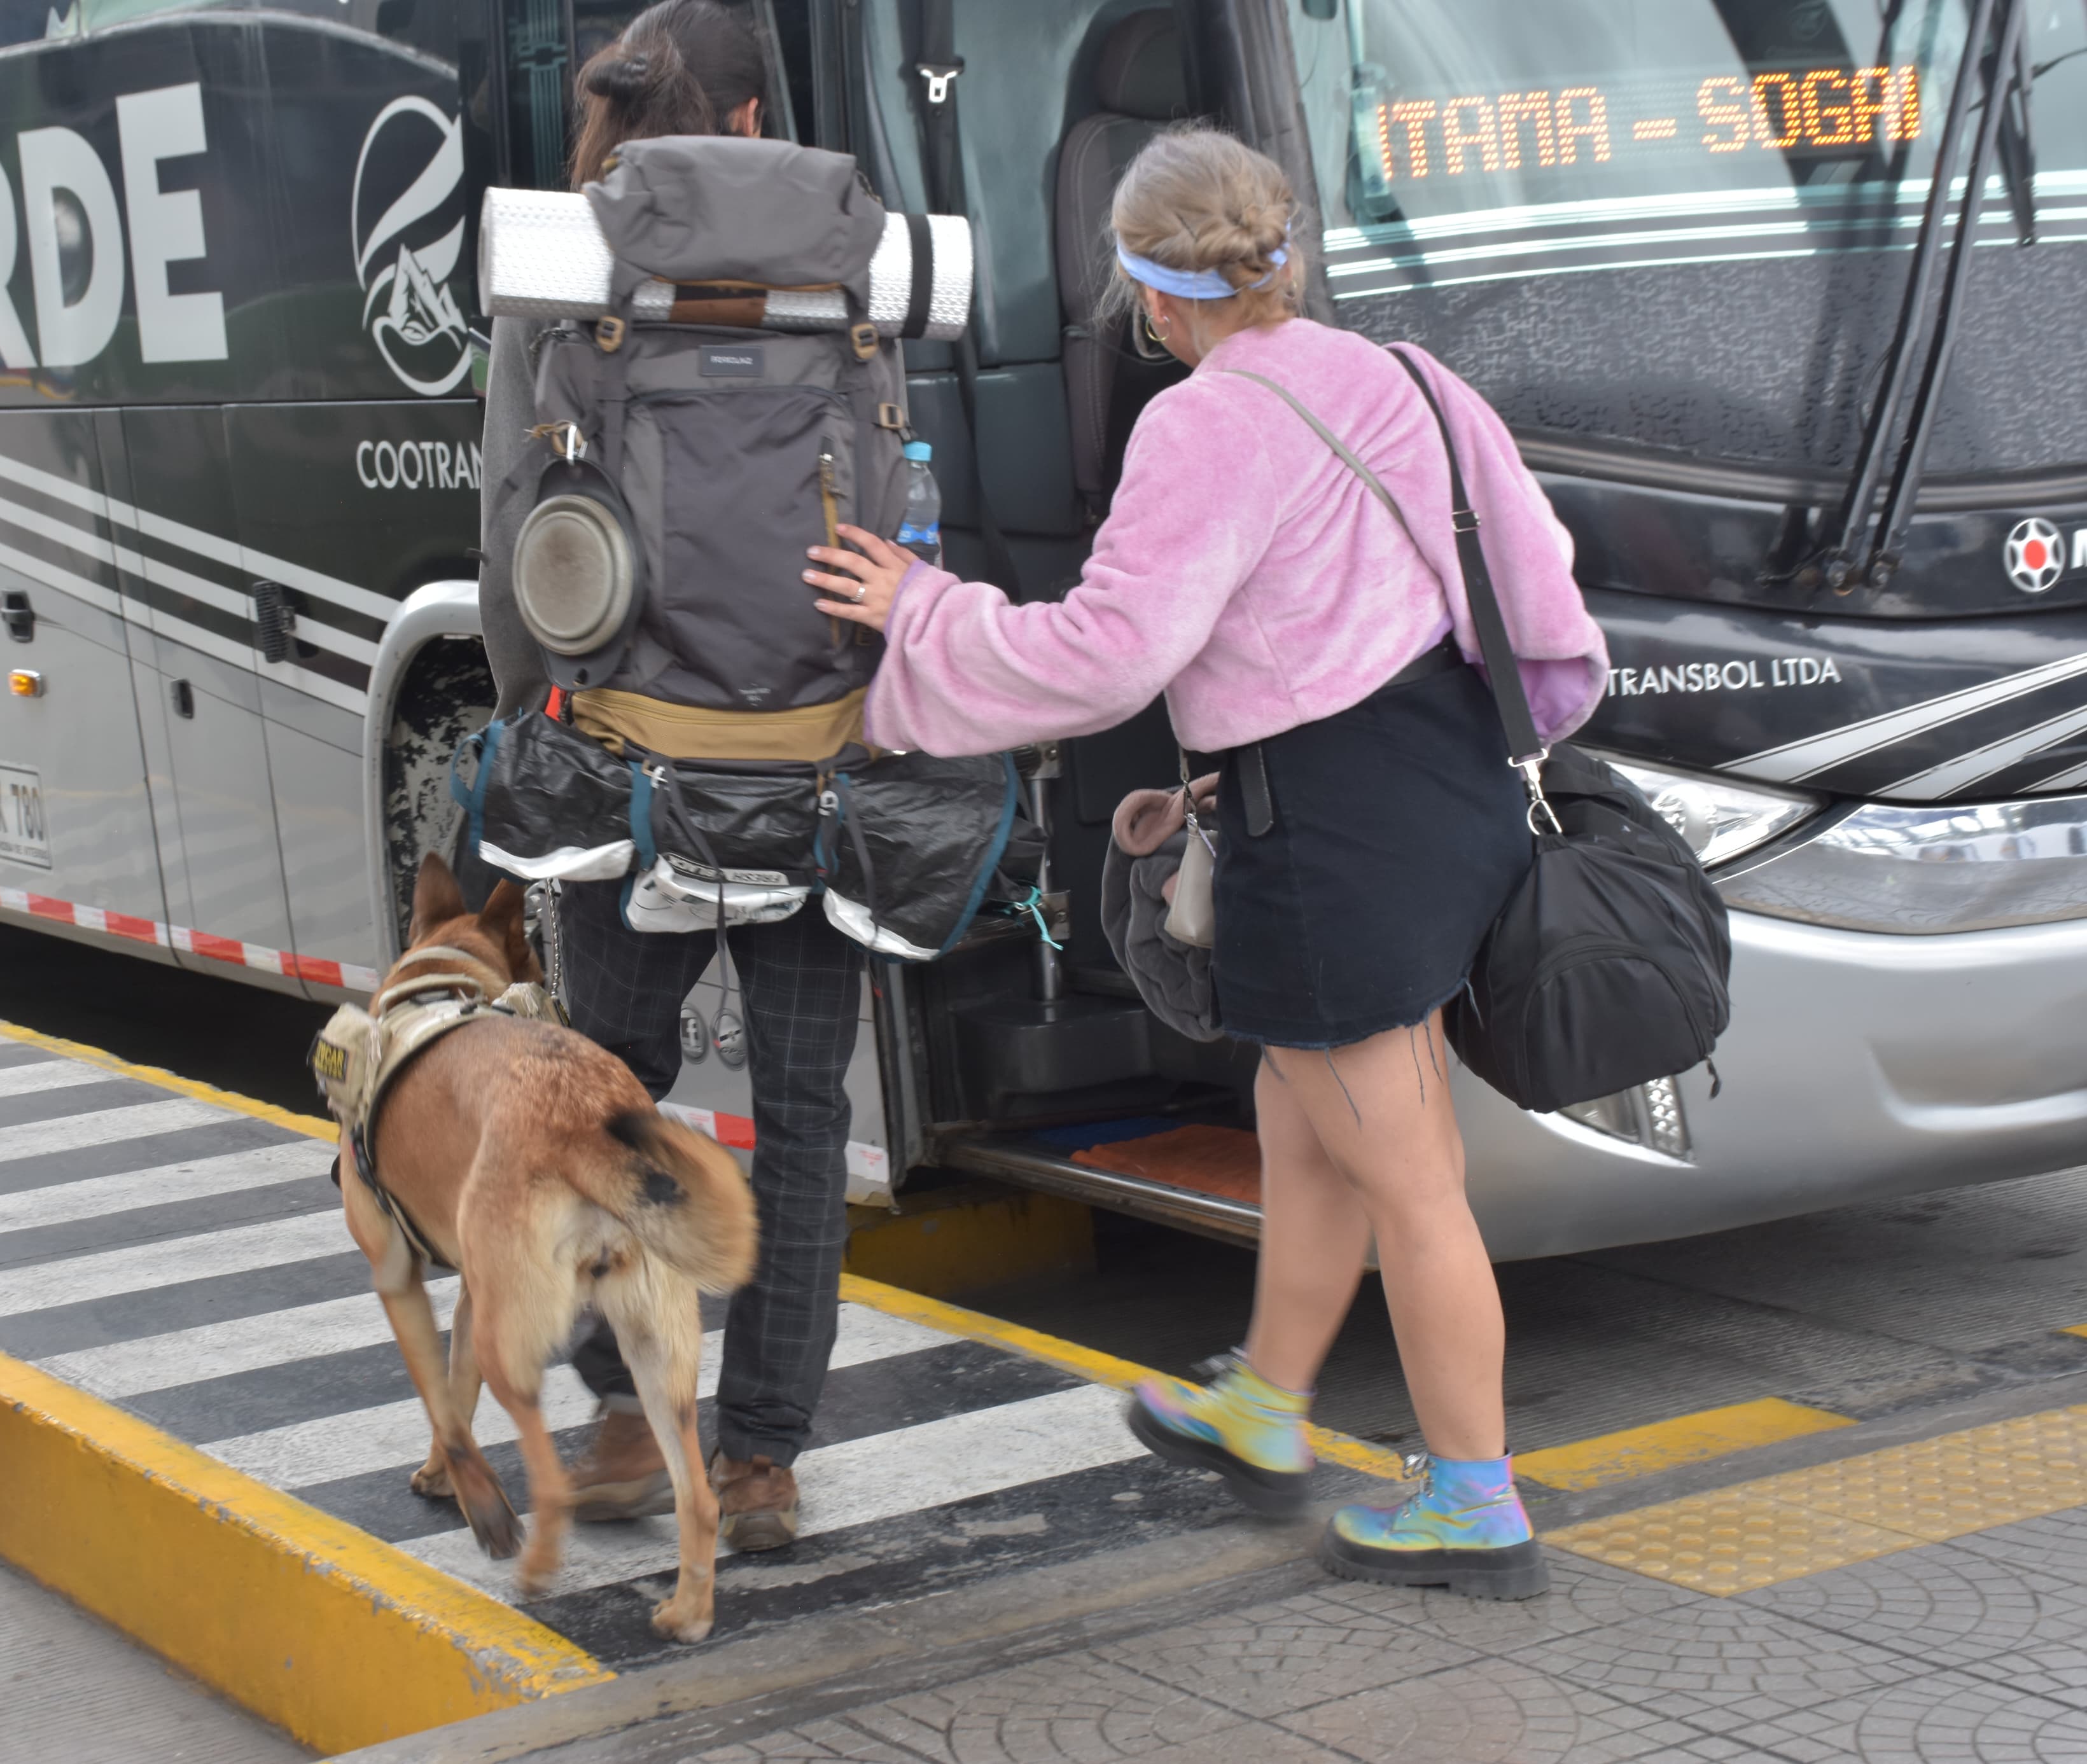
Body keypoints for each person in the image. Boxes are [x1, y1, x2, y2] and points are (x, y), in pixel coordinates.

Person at [800, 127, 1608, 1599]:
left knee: (1409, 1174)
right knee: (1301, 1118)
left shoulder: (1200, 423)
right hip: (1443, 784)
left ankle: (1475, 1496)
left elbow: (1107, 655)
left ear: (1147, 294)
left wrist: (921, 607)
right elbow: (1534, 566)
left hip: (1331, 828)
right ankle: (1265, 1402)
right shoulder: (1404, 375)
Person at [475, 0, 855, 1553]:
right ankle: (761, 1457)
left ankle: (633, 1411)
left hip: (628, 763)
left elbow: (517, 524)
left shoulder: (567, 265)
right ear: (759, 120)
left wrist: (523, 727)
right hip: (825, 759)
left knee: (605, 1092)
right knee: (809, 1112)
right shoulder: (864, 257)